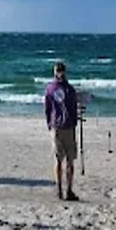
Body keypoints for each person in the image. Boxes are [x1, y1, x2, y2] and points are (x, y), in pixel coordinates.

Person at [44, 61, 79, 201]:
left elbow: (47, 109)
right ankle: (68, 190)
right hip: (67, 127)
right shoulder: (69, 89)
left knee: (58, 160)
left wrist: (49, 123)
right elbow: (73, 108)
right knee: (69, 160)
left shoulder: (50, 89)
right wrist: (74, 122)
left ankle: (59, 190)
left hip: (57, 127)